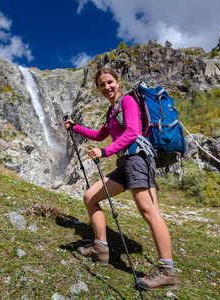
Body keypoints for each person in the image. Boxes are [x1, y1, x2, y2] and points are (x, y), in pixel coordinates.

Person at [63, 67, 177, 291]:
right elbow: (100, 135)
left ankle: (167, 271)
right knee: (90, 197)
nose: (106, 87)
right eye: (101, 85)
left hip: (138, 159)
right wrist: (75, 127)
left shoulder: (127, 101)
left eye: (109, 82)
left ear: (118, 81)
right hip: (125, 163)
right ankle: (101, 250)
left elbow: (133, 132)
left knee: (149, 211)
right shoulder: (112, 110)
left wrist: (105, 152)